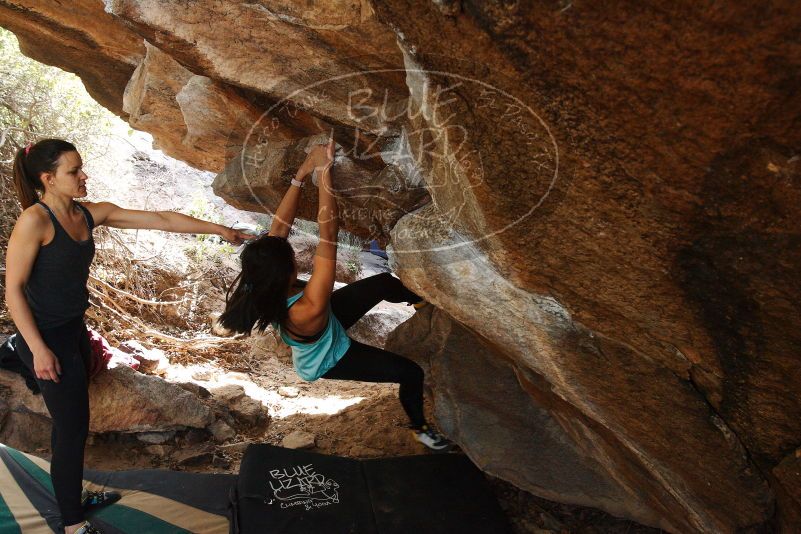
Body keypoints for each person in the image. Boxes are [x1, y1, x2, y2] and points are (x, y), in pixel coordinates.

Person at [4, 138, 252, 534]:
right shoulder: (35, 221)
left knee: (72, 422)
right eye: (74, 171)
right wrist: (37, 349)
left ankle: (71, 499)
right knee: (72, 428)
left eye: (81, 167)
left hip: (73, 331)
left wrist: (219, 229)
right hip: (45, 337)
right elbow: (13, 290)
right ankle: (71, 523)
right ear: (48, 179)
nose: (84, 176)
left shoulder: (88, 215)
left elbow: (161, 219)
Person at [218, 137, 452, 452]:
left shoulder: (262, 274)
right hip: (330, 356)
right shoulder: (308, 307)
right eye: (290, 260)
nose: (292, 256)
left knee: (383, 281)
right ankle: (421, 428)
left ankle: (421, 302)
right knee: (410, 373)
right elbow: (329, 232)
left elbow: (280, 227)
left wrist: (300, 176)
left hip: (327, 323)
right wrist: (325, 172)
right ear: (286, 274)